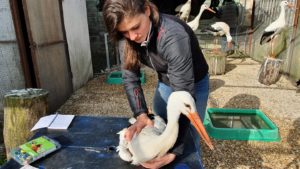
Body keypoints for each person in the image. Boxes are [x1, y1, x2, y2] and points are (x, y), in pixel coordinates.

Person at [103, 0, 209, 168]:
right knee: (159, 127)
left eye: (136, 27)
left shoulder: (173, 36)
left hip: (193, 83)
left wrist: (174, 153)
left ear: (147, 11)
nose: (132, 37)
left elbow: (183, 91)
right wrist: (141, 115)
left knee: (189, 138)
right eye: (125, 32)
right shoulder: (127, 37)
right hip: (165, 80)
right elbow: (130, 78)